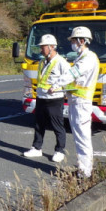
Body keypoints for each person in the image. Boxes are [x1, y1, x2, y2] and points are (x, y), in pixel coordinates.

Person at [49, 26, 99, 178]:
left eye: (74, 41)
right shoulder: (82, 58)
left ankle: (85, 172)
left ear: (82, 41)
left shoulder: (88, 58)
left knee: (82, 138)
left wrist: (56, 84)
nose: (72, 43)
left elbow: (73, 74)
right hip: (76, 101)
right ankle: (83, 169)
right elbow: (75, 80)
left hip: (81, 103)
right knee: (79, 137)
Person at [23, 34, 71, 163]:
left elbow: (69, 78)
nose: (41, 49)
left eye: (43, 47)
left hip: (54, 98)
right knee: (39, 124)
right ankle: (37, 147)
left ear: (51, 47)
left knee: (57, 125)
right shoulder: (42, 61)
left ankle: (59, 150)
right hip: (41, 97)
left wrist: (57, 87)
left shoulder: (61, 62)